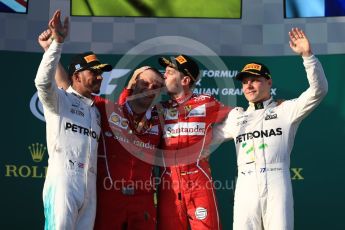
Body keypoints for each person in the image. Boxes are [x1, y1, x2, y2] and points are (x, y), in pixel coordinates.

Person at [38, 26, 165, 229]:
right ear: (133, 84)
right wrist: (51, 48)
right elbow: (59, 86)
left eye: (156, 86)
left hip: (109, 192)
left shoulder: (99, 110)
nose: (150, 89)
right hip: (79, 185)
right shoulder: (96, 107)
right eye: (145, 83)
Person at [213, 28, 328, 230]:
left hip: (277, 182)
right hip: (245, 186)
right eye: (245, 82)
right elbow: (206, 140)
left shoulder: (286, 110)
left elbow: (319, 90)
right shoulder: (236, 116)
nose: (249, 86)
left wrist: (308, 56)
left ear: (269, 82)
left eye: (255, 80)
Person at [35, 10, 112, 229]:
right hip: (64, 180)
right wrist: (56, 45)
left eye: (101, 72)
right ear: (76, 76)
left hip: (90, 185)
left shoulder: (95, 110)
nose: (99, 76)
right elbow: (42, 83)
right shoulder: (60, 100)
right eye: (93, 72)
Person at [156, 55, 231, 229]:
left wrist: (271, 109)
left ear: (185, 80)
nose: (164, 75)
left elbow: (238, 116)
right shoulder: (159, 110)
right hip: (169, 186)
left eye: (169, 72)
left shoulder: (205, 102)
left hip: (199, 182)